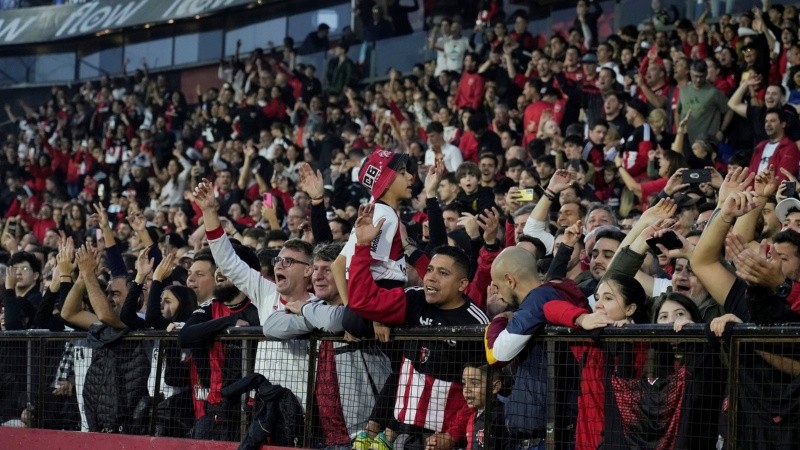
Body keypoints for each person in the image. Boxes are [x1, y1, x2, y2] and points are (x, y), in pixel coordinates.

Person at [347, 203, 489, 450]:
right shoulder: (414, 299)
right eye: (430, 270)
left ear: (462, 285)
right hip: (405, 433)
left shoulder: (475, 324)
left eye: (443, 273)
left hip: (444, 439)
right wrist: (361, 249)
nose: (431, 277)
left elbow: (483, 391)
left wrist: (452, 435)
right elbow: (363, 302)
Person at [485, 246, 588, 450]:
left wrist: (498, 319)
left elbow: (497, 355)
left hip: (548, 438)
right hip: (551, 432)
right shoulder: (552, 292)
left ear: (510, 280)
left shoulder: (539, 298)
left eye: (498, 286)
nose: (500, 295)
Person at [541, 273, 650, 450]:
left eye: (608, 298)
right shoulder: (588, 340)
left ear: (630, 309)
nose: (598, 304)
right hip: (587, 442)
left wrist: (626, 337)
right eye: (598, 297)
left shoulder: (647, 346)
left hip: (629, 443)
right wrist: (582, 318)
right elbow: (549, 307)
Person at [177, 240, 261, 441]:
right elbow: (185, 336)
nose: (219, 273)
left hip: (253, 408)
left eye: (227, 267)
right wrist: (230, 321)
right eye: (218, 267)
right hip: (216, 406)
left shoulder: (260, 305)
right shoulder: (210, 306)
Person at [333, 150, 413, 305]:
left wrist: (351, 310)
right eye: (403, 173)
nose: (410, 177)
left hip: (363, 308)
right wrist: (375, 319)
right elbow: (371, 273)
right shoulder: (385, 216)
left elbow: (337, 266)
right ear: (386, 181)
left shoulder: (375, 212)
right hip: (377, 305)